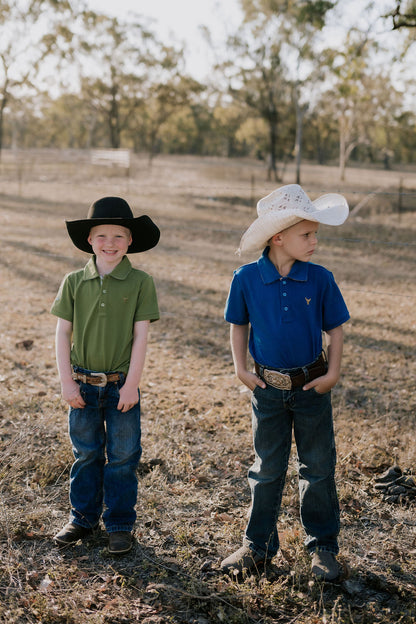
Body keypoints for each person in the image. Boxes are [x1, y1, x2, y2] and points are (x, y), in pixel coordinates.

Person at [221, 184, 350, 581]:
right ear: (279, 237)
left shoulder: (320, 278)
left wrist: (333, 373)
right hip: (268, 390)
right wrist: (241, 369)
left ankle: (323, 548)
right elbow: (237, 325)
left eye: (315, 234)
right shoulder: (245, 279)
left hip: (313, 386)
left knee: (318, 468)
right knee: (267, 469)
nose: (314, 242)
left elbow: (337, 331)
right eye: (306, 235)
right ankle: (257, 546)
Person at [51, 196, 160, 555]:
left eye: (118, 236)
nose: (110, 243)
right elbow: (62, 333)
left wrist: (132, 385)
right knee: (86, 454)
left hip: (120, 387)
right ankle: (82, 519)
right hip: (82, 383)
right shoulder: (73, 281)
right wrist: (66, 381)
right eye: (102, 236)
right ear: (89, 241)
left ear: (130, 241)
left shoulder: (141, 281)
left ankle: (119, 524)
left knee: (124, 456)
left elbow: (142, 336)